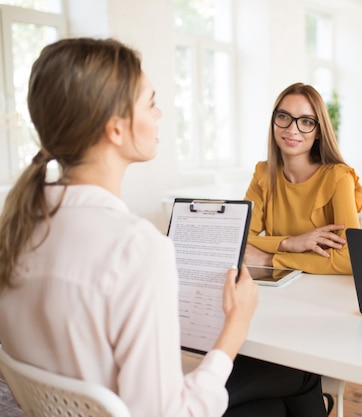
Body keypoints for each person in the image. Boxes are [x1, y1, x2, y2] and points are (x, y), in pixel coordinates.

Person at [0, 38, 327, 417]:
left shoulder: (16, 225)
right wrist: (235, 326)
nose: (159, 113)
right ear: (116, 129)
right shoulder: (135, 248)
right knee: (295, 384)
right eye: (150, 102)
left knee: (273, 405)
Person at [243, 82, 362, 275]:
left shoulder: (338, 177)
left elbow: (350, 259)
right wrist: (290, 243)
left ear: (318, 131)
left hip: (322, 288)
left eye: (306, 121)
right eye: (283, 117)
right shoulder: (263, 173)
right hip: (280, 286)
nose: (292, 129)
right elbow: (236, 237)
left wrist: (269, 259)